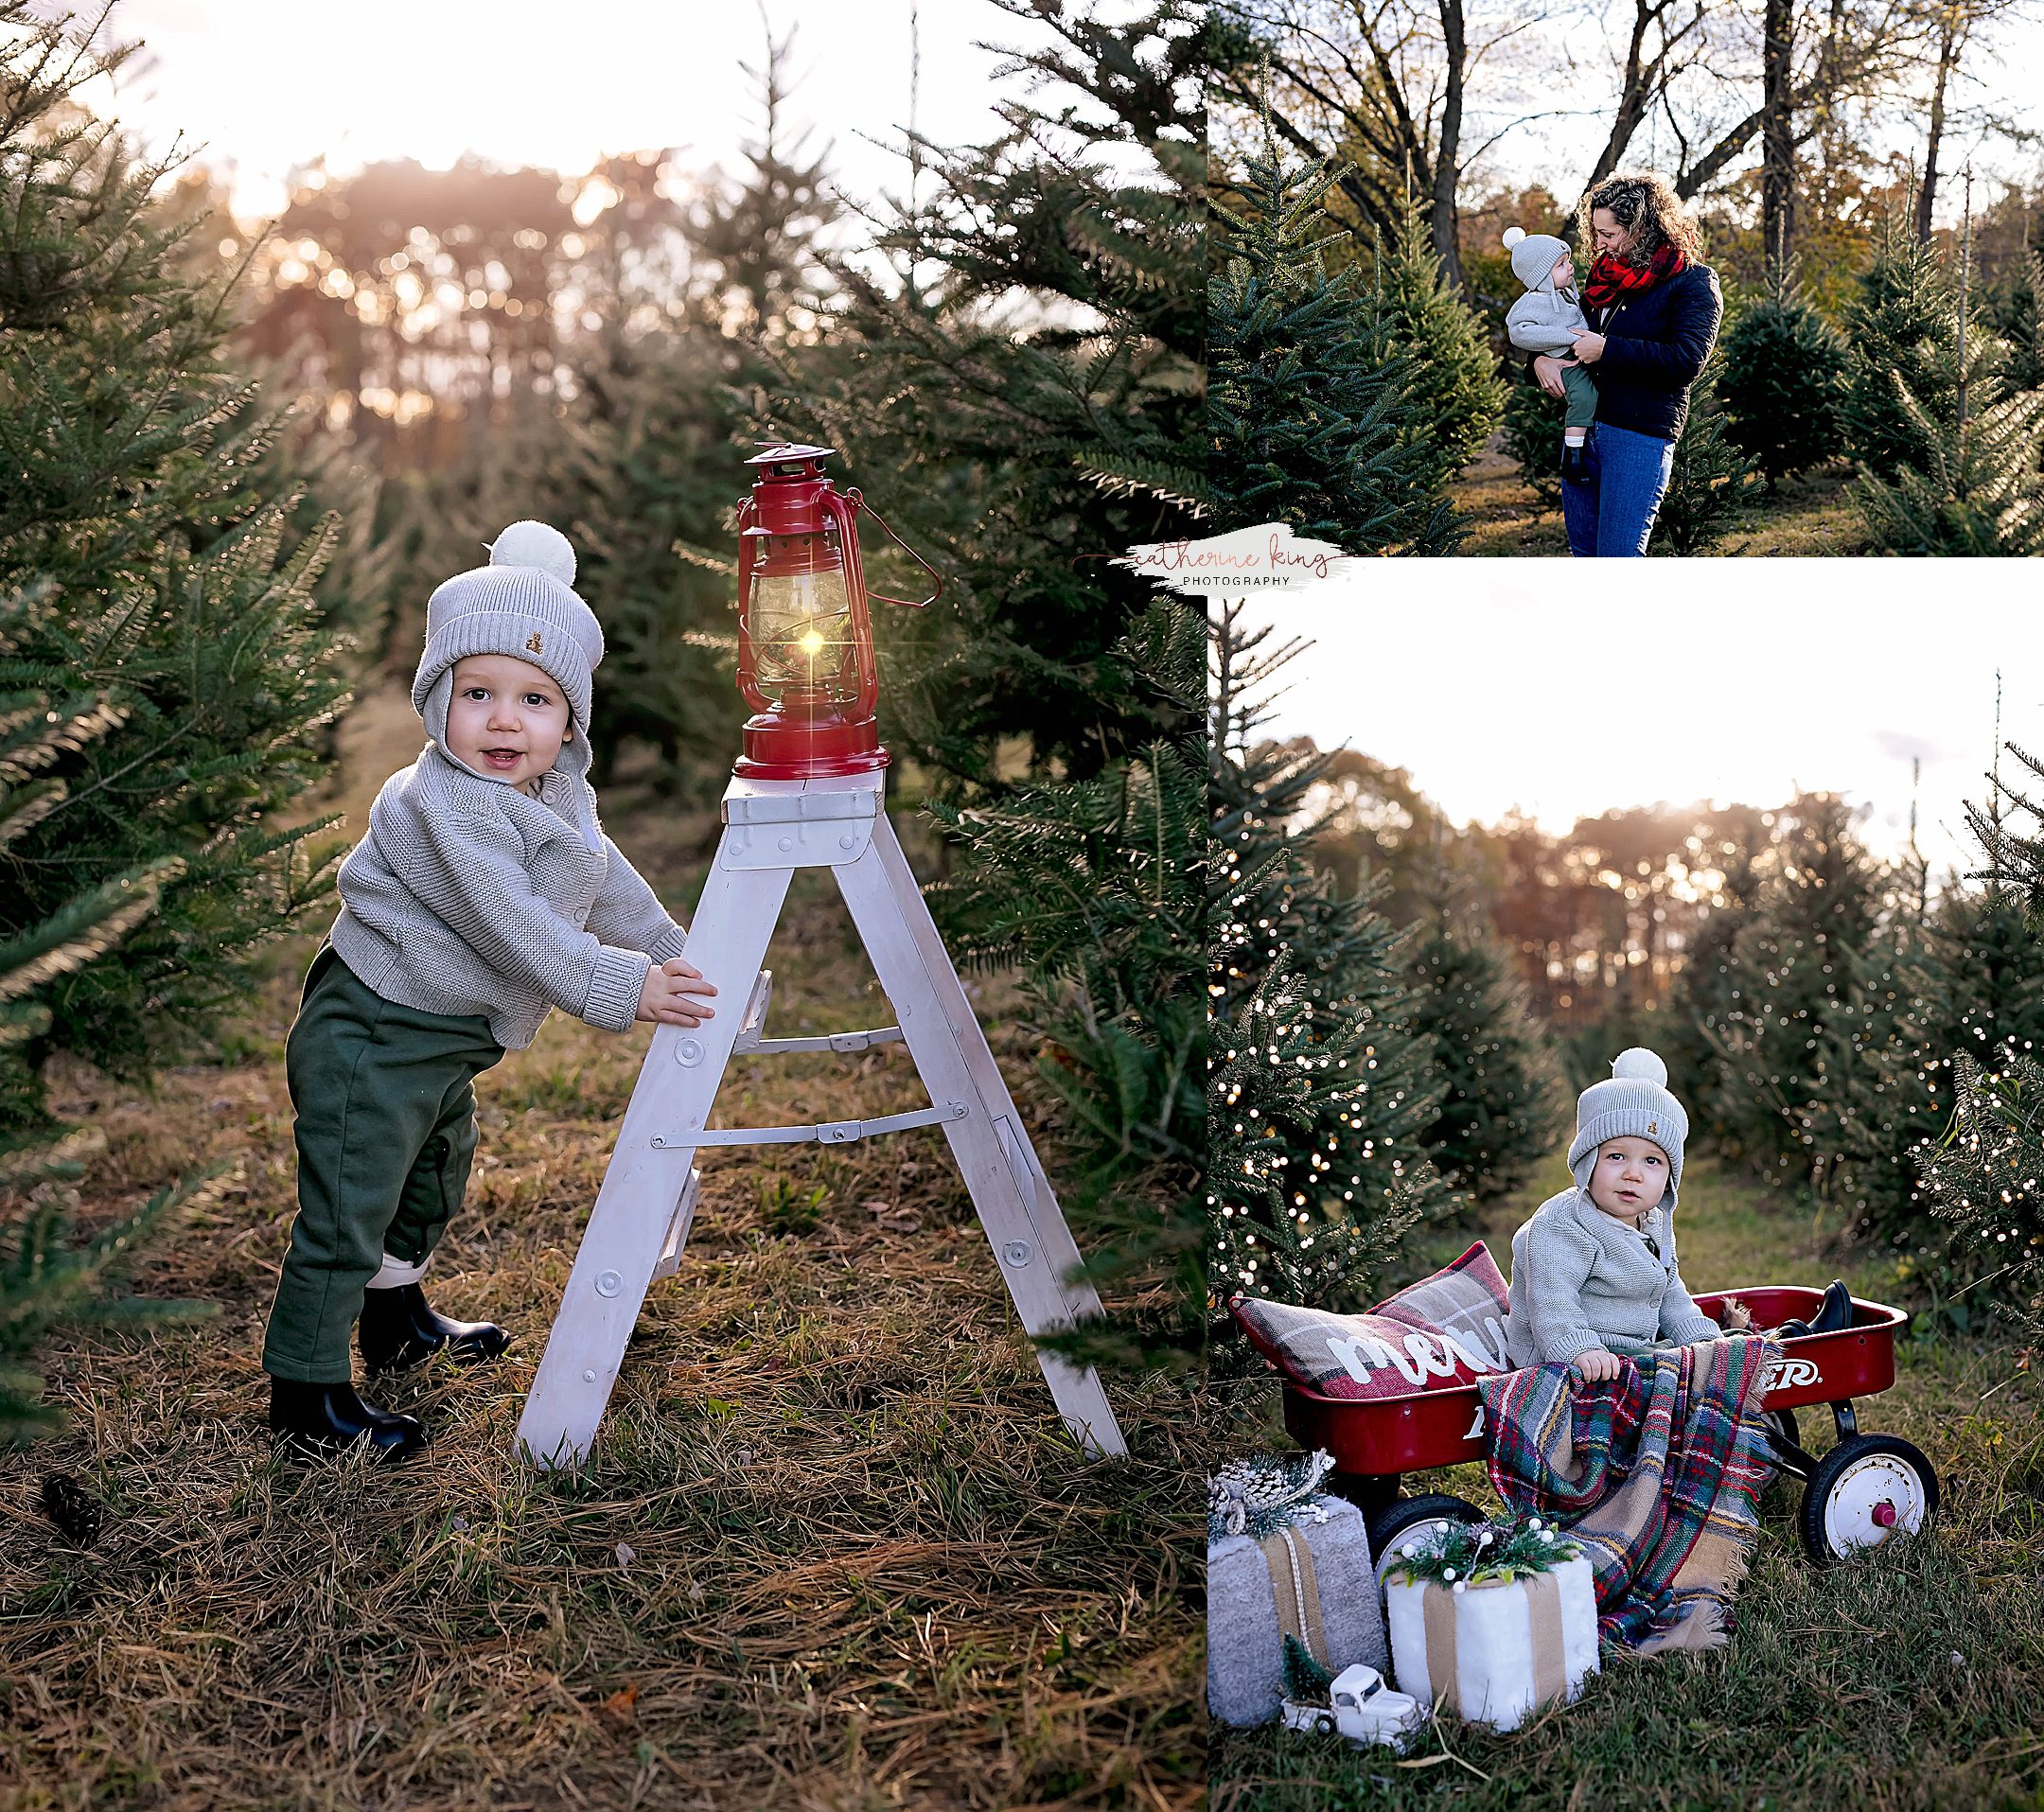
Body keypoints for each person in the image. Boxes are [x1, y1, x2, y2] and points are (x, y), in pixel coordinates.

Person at [261, 520, 718, 1462]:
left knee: (430, 1176)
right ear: (439, 700)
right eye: (479, 693)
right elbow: (516, 926)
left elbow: (603, 876)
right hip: (374, 1026)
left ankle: (396, 1323)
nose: (505, 721)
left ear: (570, 721)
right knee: (348, 1204)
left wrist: (679, 945)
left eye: (535, 699)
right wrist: (626, 985)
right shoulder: (444, 803)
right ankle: (306, 1398)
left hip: (440, 1037)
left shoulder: (552, 795)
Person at [1526, 173, 1723, 557]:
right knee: (1585, 556)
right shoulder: (1604, 279)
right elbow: (1562, 330)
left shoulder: (1692, 283)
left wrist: (1609, 350)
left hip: (1638, 435)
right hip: (1582, 431)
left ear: (1644, 227)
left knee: (1618, 558)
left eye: (1609, 234)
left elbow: (1685, 361)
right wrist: (1538, 362)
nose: (1599, 244)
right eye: (1596, 232)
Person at [1504, 1048, 1718, 1379]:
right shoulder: (1562, 1225)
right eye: (1616, 1157)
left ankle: (1796, 1336)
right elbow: (1552, 1298)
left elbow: (1669, 1290)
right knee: (1667, 1371)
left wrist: (1698, 1337)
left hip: (1629, 1345)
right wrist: (1580, 1348)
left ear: (1669, 1178)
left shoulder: (1653, 1223)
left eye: (1652, 1161)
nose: (1633, 1174)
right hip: (1572, 1353)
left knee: (1725, 1348)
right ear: (1588, 1160)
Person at [1502, 226, 1597, 480]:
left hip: (1581, 351)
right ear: (1541, 276)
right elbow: (1519, 332)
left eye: (1567, 261)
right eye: (1561, 265)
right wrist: (1567, 337)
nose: (1570, 267)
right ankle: (1573, 458)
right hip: (1564, 358)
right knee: (1584, 396)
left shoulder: (1565, 294)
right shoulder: (1533, 303)